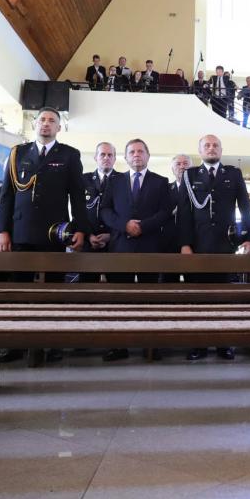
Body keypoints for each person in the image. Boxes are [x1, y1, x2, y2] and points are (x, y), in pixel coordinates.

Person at [0, 107, 89, 363]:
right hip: (21, 232)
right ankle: (16, 344)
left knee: (54, 292)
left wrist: (81, 229)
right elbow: (7, 195)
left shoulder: (69, 154)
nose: (46, 124)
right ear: (34, 124)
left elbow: (77, 196)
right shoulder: (18, 153)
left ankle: (51, 343)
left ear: (59, 127)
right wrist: (2, 230)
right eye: (42, 120)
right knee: (19, 291)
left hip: (54, 234)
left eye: (52, 121)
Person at [177, 134, 250, 360]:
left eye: (215, 145)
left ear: (221, 150)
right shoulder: (190, 175)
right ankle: (198, 344)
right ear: (200, 151)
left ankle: (224, 343)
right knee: (198, 297)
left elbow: (246, 207)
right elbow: (184, 213)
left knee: (224, 296)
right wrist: (184, 244)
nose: (211, 148)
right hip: (198, 246)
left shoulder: (233, 174)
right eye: (207, 145)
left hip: (225, 246)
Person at [100, 139, 174, 362]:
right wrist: (125, 225)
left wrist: (143, 226)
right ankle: (119, 346)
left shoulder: (160, 182)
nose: (136, 155)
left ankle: (150, 344)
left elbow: (166, 212)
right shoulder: (115, 181)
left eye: (141, 151)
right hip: (120, 247)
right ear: (125, 157)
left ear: (148, 156)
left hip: (149, 247)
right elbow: (105, 210)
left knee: (149, 299)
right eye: (132, 151)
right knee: (119, 299)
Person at [80, 142, 118, 283]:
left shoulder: (123, 180)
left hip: (115, 243)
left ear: (114, 159)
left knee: (117, 287)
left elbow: (126, 213)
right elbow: (78, 211)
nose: (106, 157)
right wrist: (88, 235)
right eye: (102, 154)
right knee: (87, 287)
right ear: (95, 157)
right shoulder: (84, 179)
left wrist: (111, 236)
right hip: (88, 242)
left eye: (110, 155)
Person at [162, 154, 191, 284]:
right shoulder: (165, 189)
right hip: (168, 244)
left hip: (193, 244)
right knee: (168, 285)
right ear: (172, 169)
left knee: (194, 285)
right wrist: (172, 212)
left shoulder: (199, 190)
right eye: (178, 164)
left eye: (185, 163)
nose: (182, 167)